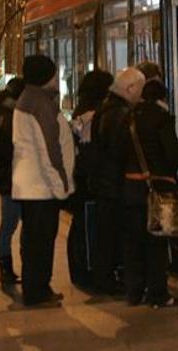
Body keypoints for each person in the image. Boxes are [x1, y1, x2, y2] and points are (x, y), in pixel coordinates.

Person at [12, 55, 75, 306]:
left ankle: (35, 288)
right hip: (40, 187)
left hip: (30, 184)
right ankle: (38, 291)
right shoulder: (40, 103)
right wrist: (61, 185)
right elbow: (49, 149)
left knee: (32, 240)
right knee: (40, 241)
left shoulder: (27, 98)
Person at [125, 75, 178, 308]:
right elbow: (173, 154)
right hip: (157, 189)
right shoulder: (161, 118)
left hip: (130, 188)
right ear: (162, 97)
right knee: (156, 242)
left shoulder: (128, 118)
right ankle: (157, 293)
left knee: (133, 243)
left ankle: (134, 292)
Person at [91, 67, 146, 295]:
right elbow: (120, 150)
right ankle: (111, 279)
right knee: (117, 235)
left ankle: (105, 278)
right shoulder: (121, 113)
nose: (140, 96)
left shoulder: (105, 108)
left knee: (107, 234)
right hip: (116, 184)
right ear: (130, 88)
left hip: (106, 183)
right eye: (139, 90)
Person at [67, 69, 114, 288]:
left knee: (80, 225)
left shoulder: (80, 110)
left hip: (80, 178)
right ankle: (89, 270)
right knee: (89, 226)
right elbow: (90, 150)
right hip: (89, 180)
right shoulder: (92, 115)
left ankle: (82, 270)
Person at [0, 77, 26, 286]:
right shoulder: (12, 117)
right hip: (14, 176)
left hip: (4, 177)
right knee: (13, 223)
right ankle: (8, 268)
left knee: (8, 224)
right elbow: (10, 149)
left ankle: (5, 267)